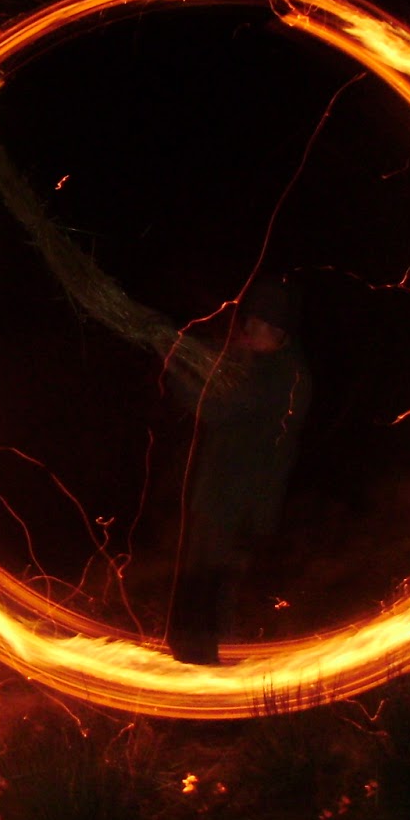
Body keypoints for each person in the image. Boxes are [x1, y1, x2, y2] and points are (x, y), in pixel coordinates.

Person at [166, 277, 311, 664]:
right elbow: (220, 361)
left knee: (214, 590)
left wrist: (176, 366)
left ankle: (212, 682)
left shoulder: (280, 378)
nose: (244, 332)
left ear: (276, 331)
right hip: (222, 496)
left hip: (238, 503)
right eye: (245, 324)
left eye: (253, 327)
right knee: (199, 584)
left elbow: (217, 409)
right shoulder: (266, 364)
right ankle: (192, 662)